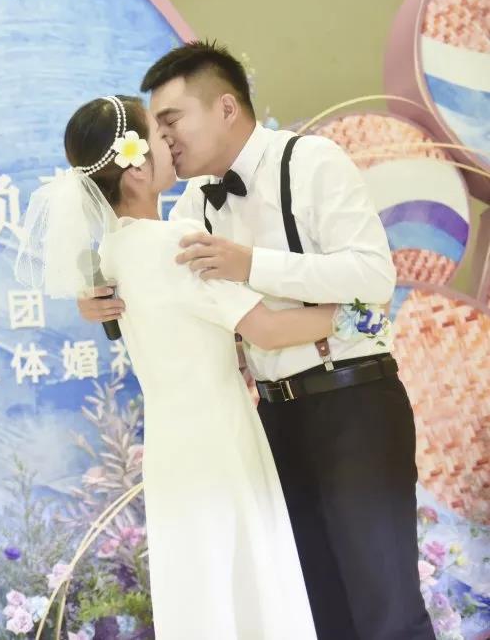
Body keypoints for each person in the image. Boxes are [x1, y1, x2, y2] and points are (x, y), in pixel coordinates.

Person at [78, 42, 435, 640]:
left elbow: (374, 276)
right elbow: (147, 265)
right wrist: (96, 297)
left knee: (386, 606)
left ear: (225, 107)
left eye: (171, 121)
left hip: (352, 402)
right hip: (270, 420)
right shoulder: (193, 203)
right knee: (316, 608)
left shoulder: (312, 160)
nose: (164, 140)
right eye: (157, 129)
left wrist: (253, 263)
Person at [16, 94, 330, 639]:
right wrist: (354, 312)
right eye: (161, 137)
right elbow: (268, 329)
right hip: (218, 436)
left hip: (172, 446)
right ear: (137, 169)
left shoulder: (112, 254)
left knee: (203, 587)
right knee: (245, 580)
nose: (173, 142)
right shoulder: (174, 245)